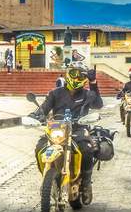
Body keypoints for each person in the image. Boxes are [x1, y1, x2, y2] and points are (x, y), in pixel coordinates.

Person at [30, 62, 103, 200]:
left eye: (81, 75)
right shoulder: (55, 93)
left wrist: (93, 83)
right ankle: (48, 179)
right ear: (68, 73)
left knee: (87, 149)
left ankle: (86, 183)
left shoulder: (87, 94)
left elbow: (98, 104)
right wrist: (36, 115)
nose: (77, 78)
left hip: (78, 129)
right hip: (57, 129)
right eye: (74, 73)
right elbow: (44, 108)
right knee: (40, 147)